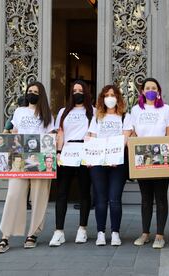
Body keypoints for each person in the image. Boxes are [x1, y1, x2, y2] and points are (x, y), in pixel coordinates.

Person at [0, 81, 54, 254]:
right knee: (13, 194)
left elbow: (50, 136)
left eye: (35, 91)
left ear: (40, 95)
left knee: (38, 197)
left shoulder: (48, 114)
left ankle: (33, 234)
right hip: (19, 157)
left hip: (40, 158)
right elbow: (14, 133)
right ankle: (5, 235)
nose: (32, 94)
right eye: (29, 91)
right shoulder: (19, 111)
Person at [130, 77, 169, 249]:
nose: (151, 90)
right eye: (147, 87)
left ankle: (160, 235)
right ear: (142, 91)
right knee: (146, 198)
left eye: (154, 88)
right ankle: (145, 233)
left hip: (161, 157)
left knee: (161, 197)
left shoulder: (166, 109)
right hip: (142, 158)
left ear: (158, 91)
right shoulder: (135, 110)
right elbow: (133, 134)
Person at [49, 80, 94, 247]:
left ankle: (82, 228)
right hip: (66, 152)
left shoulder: (93, 111)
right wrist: (58, 153)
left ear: (86, 93)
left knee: (84, 192)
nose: (77, 93)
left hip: (84, 153)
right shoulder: (63, 111)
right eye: (74, 90)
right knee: (62, 192)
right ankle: (58, 231)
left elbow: (94, 134)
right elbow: (60, 133)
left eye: (80, 90)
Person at [87, 84, 133, 246]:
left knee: (114, 199)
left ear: (118, 98)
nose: (110, 98)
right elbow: (91, 137)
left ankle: (115, 232)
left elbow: (125, 138)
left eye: (113, 95)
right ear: (102, 98)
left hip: (117, 163)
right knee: (100, 199)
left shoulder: (125, 117)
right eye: (107, 95)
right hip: (98, 163)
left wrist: (115, 155)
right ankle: (100, 232)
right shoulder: (97, 117)